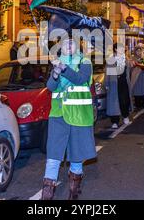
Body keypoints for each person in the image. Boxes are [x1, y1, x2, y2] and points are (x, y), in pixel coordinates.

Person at [41, 38, 96, 200]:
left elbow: (81, 79)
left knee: (76, 156)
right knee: (53, 155)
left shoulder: (85, 62)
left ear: (77, 46)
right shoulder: (57, 63)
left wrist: (64, 69)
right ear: (61, 47)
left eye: (72, 43)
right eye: (66, 43)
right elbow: (50, 87)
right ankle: (46, 195)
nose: (69, 46)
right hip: (58, 115)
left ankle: (73, 192)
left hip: (79, 115)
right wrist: (56, 74)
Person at [105, 44, 133, 129]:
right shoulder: (111, 60)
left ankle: (125, 116)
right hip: (114, 83)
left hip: (123, 82)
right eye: (120, 48)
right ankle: (115, 121)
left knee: (124, 101)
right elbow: (107, 73)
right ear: (116, 49)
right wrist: (106, 84)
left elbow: (129, 72)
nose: (122, 50)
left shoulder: (126, 59)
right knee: (113, 103)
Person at [130, 44, 144, 110]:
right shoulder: (132, 57)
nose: (138, 52)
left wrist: (142, 64)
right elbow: (131, 66)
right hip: (135, 76)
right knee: (136, 90)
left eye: (140, 50)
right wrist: (135, 64)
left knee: (143, 89)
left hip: (142, 75)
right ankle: (137, 103)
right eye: (137, 51)